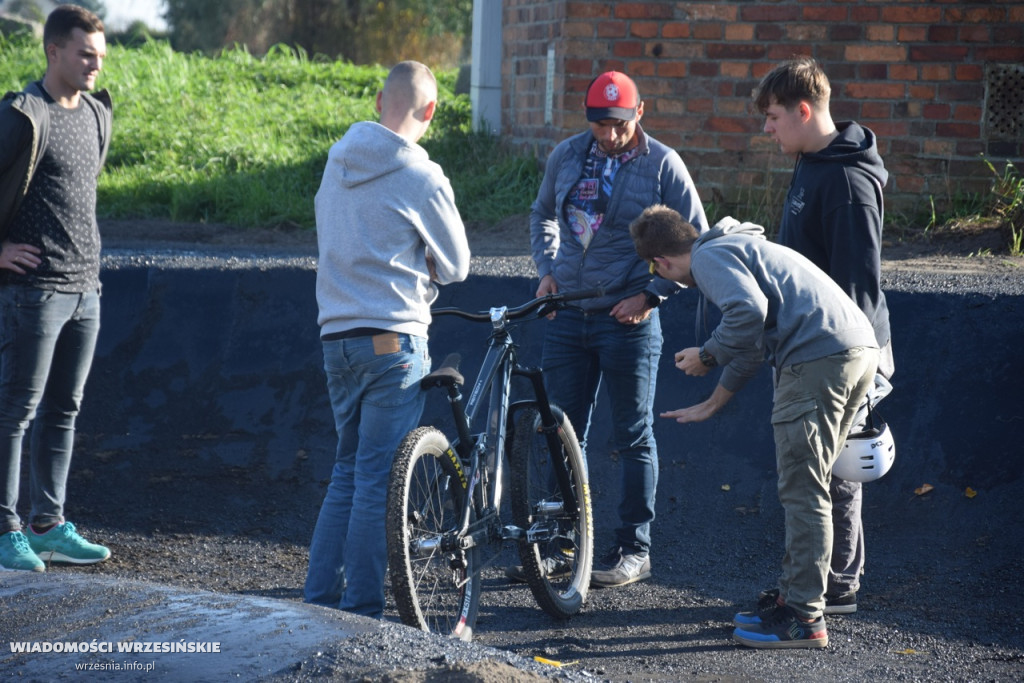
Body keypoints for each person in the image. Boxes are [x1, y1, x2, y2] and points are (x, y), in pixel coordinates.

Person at [630, 206, 879, 649]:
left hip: (817, 359)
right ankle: (797, 596)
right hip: (854, 348)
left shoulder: (708, 259)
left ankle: (804, 617)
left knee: (803, 488)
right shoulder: (739, 247)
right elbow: (750, 339)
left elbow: (746, 312)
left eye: (657, 271)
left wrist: (707, 353)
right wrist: (713, 401)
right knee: (816, 483)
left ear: (661, 263)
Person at [517, 70, 708, 589]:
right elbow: (541, 216)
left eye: (618, 123)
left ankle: (633, 550)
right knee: (557, 432)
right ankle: (560, 546)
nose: (608, 133)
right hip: (567, 316)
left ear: (639, 113)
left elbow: (699, 244)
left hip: (629, 322)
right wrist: (547, 271)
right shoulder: (566, 155)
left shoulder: (664, 164)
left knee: (632, 435)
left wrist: (652, 295)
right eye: (599, 123)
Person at [304, 61, 470, 618]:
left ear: (379, 100)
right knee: (379, 480)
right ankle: (361, 611)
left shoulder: (335, 163)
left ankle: (320, 601)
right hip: (393, 339)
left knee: (347, 470)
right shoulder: (423, 176)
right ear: (430, 112)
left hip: (337, 337)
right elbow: (457, 265)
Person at [751, 56, 894, 616]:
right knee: (818, 467)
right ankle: (820, 581)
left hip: (838, 350)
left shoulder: (847, 182)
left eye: (773, 117)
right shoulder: (812, 163)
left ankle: (835, 586)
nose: (766, 128)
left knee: (835, 470)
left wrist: (850, 366)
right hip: (807, 343)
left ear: (804, 110)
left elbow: (859, 284)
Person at [0, 4, 112, 572]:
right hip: (33, 293)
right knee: (16, 411)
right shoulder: (23, 114)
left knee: (63, 411)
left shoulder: (96, 112)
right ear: (53, 51)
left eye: (99, 55)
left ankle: (48, 524)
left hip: (85, 289)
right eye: (84, 54)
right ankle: (5, 530)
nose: (95, 64)